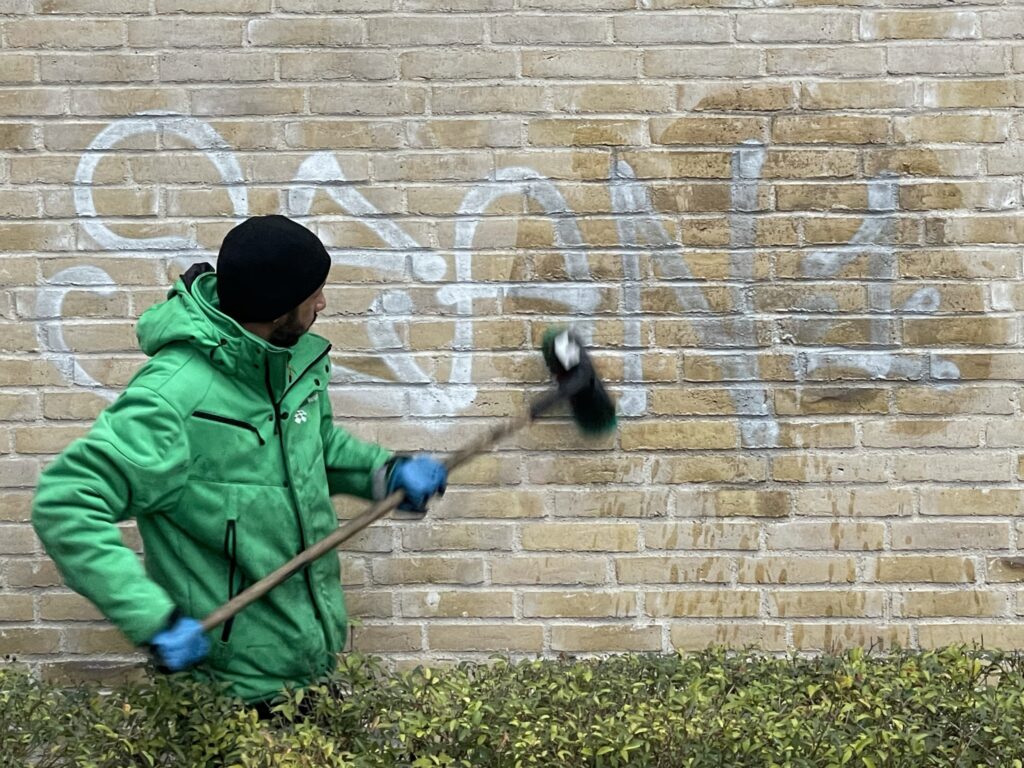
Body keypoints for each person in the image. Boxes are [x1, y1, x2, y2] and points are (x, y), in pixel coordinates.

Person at [32, 215, 448, 705]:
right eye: (312, 293)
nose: (322, 302)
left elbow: (315, 447)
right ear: (275, 307)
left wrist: (385, 472)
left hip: (310, 670)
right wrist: (152, 619)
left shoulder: (289, 365)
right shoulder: (174, 396)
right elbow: (66, 503)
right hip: (231, 694)